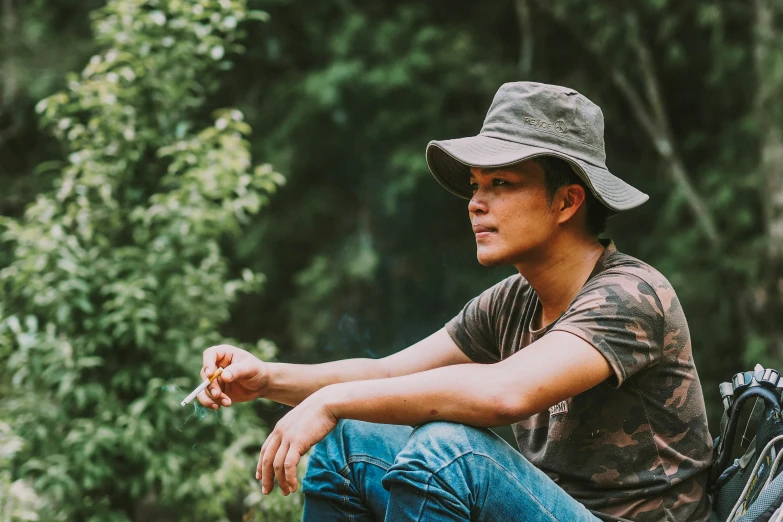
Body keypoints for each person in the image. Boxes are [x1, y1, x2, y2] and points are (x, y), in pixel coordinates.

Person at [197, 82, 713, 522]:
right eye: (475, 185)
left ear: (566, 201)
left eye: (501, 184)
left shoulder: (630, 295)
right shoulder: (513, 301)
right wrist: (268, 380)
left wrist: (330, 402)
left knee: (448, 450)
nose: (475, 203)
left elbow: (503, 395)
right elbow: (385, 376)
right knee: (348, 441)